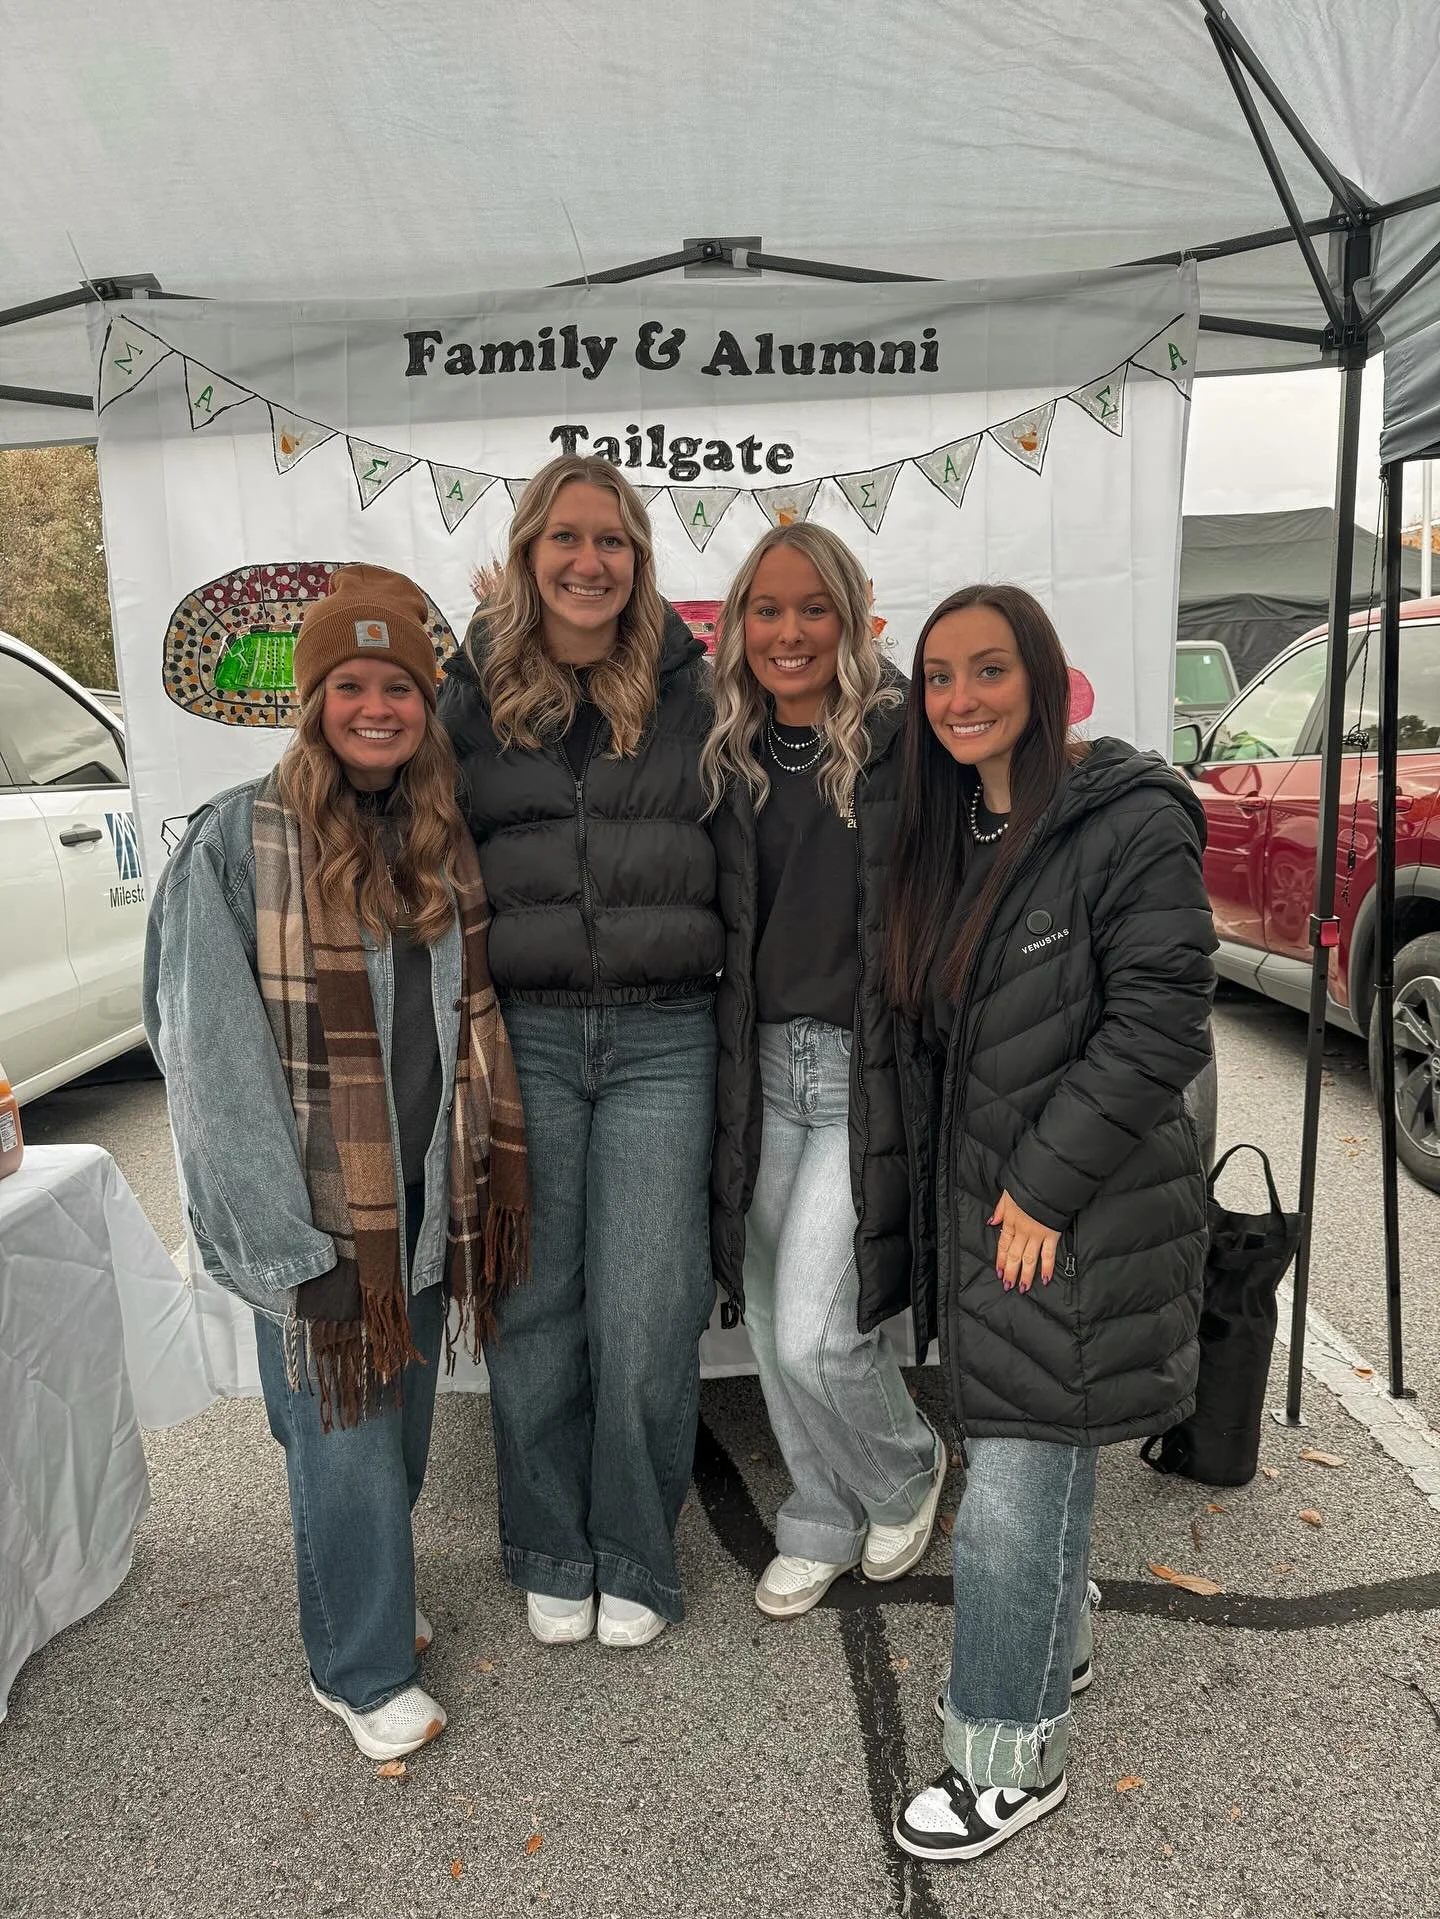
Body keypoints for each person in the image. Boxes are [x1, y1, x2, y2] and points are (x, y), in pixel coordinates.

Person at [144, 564, 529, 1763]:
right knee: (346, 1439)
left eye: (399, 686)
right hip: (317, 1210)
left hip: (417, 1199)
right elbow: (209, 1060)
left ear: (425, 703)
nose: (377, 707)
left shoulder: (435, 839)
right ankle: (357, 1665)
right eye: (351, 685)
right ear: (312, 702)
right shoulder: (236, 841)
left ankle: (364, 1582)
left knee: (392, 1438)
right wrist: (281, 1243)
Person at [884, 583, 1215, 1862]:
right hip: (996, 1203)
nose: (960, 697)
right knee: (1038, 1442)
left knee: (1016, 1482)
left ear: (1042, 673)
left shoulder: (1128, 818)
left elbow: (1160, 1025)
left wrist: (1039, 1187)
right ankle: (1053, 1639)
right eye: (938, 676)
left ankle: (1005, 1754)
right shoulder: (952, 825)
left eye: (988, 669)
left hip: (1073, 1204)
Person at [437, 455, 721, 1650]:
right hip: (528, 1032)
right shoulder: (468, 689)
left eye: (612, 540)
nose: (589, 561)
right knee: (537, 1299)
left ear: (639, 558)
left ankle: (637, 1547)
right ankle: (552, 1542)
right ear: (527, 552)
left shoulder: (694, 686)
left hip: (666, 1032)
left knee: (650, 1308)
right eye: (566, 537)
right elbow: (387, 794)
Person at [706, 524, 946, 1618]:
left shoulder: (906, 733)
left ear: (852, 617)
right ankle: (819, 1514)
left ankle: (904, 1467)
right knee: (767, 1314)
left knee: (816, 1328)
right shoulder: (729, 741)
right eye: (768, 608)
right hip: (758, 1065)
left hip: (862, 1070)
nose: (790, 631)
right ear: (739, 623)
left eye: (814, 607)